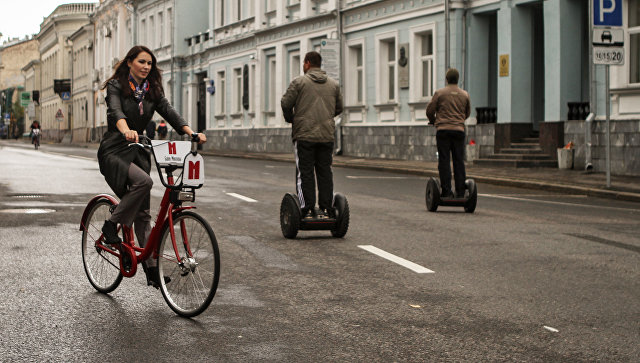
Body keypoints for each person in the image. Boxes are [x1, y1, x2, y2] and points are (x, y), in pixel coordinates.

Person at [97, 45, 206, 288]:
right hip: (114, 150)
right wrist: (126, 131)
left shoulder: (151, 90)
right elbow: (115, 112)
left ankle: (151, 269)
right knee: (144, 182)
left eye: (150, 63)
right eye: (142, 62)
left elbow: (169, 112)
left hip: (138, 152)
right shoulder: (117, 86)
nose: (146, 67)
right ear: (129, 63)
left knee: (144, 214)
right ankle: (111, 224)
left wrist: (191, 132)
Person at [281, 51, 343, 219]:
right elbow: (339, 108)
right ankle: (326, 208)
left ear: (307, 63)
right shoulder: (333, 85)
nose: (303, 66)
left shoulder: (299, 82)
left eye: (303, 63)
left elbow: (286, 103)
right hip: (326, 135)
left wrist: (291, 119)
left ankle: (307, 208)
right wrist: (325, 117)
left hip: (304, 135)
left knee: (305, 172)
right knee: (325, 171)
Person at [426, 68, 471, 198]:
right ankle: (461, 192)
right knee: (459, 161)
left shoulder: (440, 93)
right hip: (459, 131)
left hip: (443, 131)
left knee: (444, 161)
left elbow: (429, 111)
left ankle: (446, 191)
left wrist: (434, 121)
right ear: (458, 79)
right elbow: (467, 113)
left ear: (446, 79)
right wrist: (458, 120)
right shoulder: (465, 94)